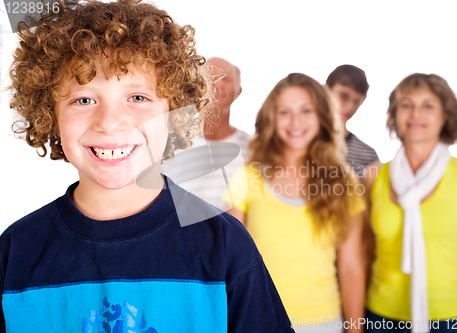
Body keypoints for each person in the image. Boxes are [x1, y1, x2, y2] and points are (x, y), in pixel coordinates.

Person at [0, 1, 294, 332]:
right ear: (50, 114)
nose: (110, 123)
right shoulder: (15, 253)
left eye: (138, 98)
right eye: (84, 100)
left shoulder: (225, 246)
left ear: (175, 111)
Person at [228, 73, 366, 332]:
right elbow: (230, 260)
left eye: (306, 111)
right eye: (284, 112)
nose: (296, 122)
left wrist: (355, 329)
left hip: (323, 322)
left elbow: (350, 268)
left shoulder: (344, 181)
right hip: (259, 318)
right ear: (272, 117)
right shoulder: (249, 176)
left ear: (322, 116)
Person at [363, 73, 457, 333]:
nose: (416, 114)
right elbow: (364, 251)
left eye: (428, 106)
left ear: (446, 116)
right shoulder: (374, 177)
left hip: (447, 320)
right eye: (406, 105)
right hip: (378, 316)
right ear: (395, 114)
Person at [161, 57, 251, 211]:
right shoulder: (172, 142)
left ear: (238, 91)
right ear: (197, 87)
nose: (217, 85)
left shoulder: (252, 148)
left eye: (226, 79)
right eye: (210, 78)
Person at [326, 65, 379, 179]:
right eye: (344, 96)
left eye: (357, 101)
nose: (350, 107)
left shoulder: (368, 156)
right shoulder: (300, 141)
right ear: (326, 90)